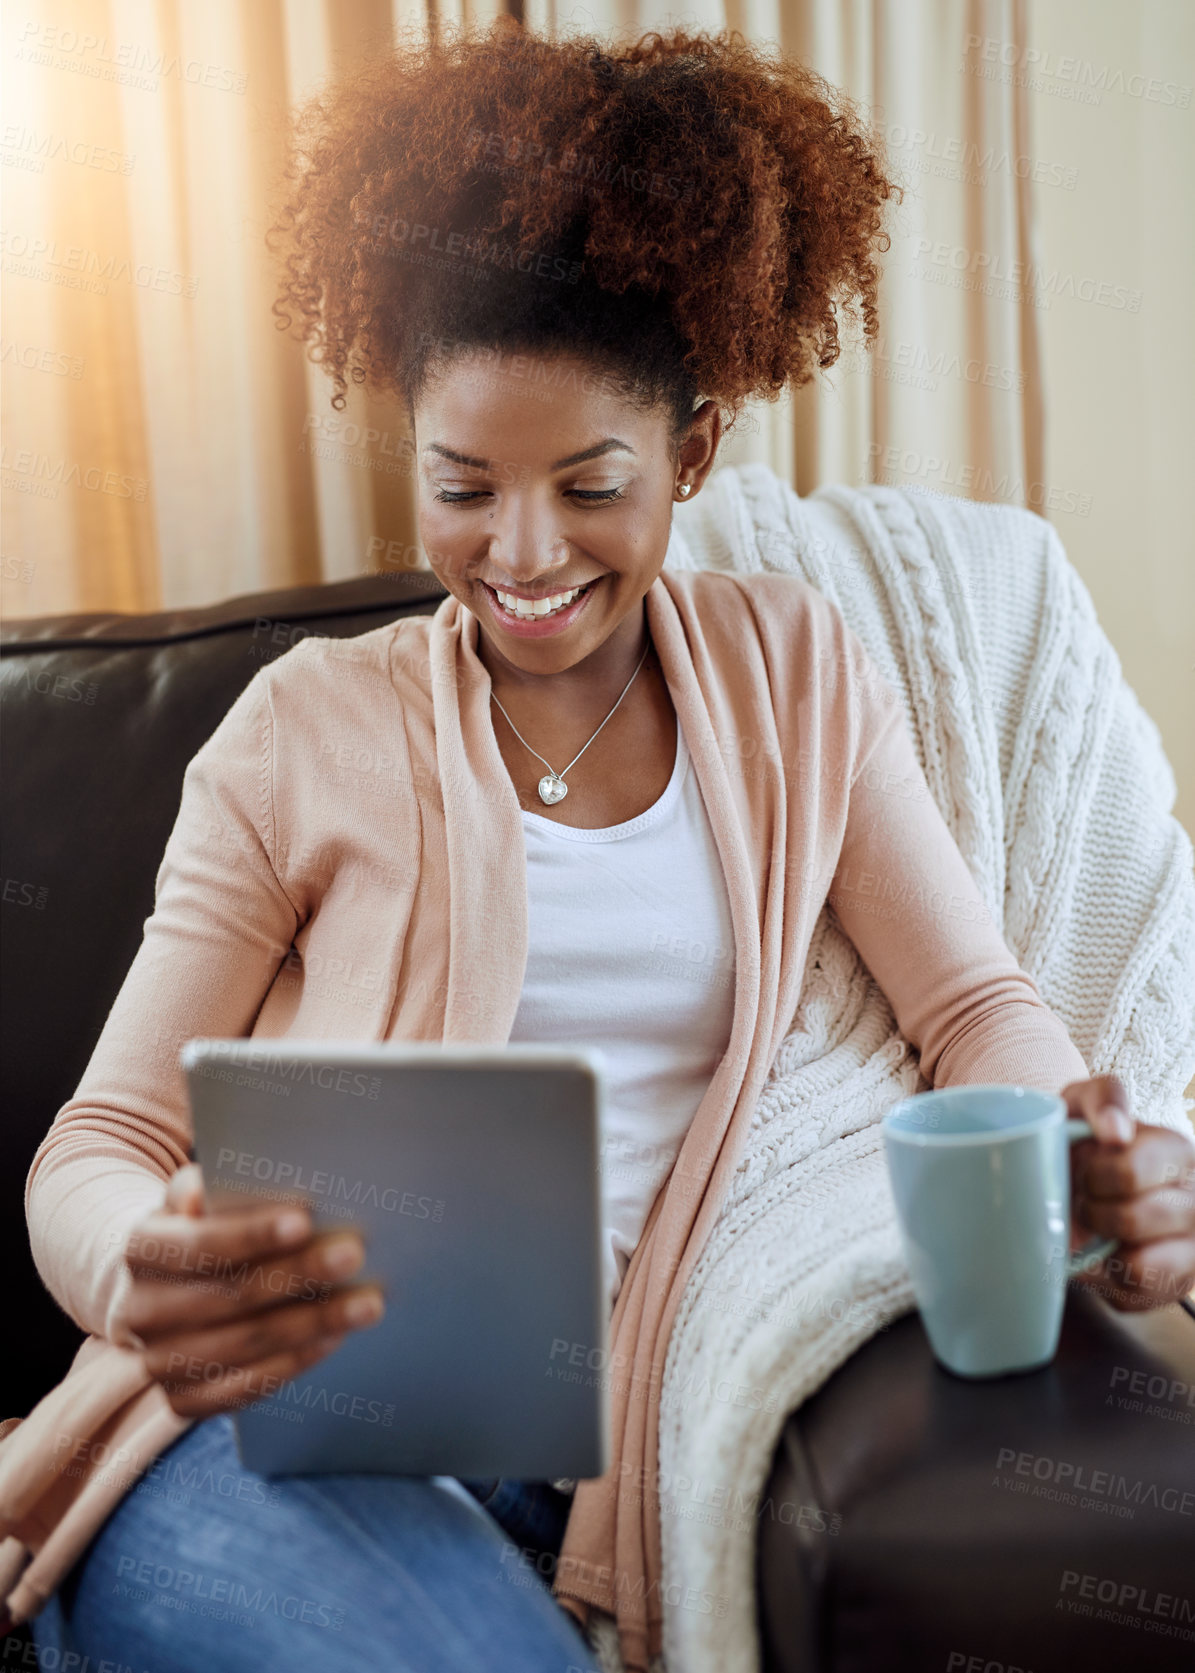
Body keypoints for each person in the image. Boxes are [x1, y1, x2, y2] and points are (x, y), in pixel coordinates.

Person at [22, 19, 1195, 1673]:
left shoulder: (798, 673)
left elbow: (974, 1002)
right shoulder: (301, 729)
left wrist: (1080, 1123)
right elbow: (96, 1136)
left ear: (694, 456)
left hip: (586, 1472)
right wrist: (138, 1266)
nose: (520, 554)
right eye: (462, 487)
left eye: (590, 486)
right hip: (250, 1445)